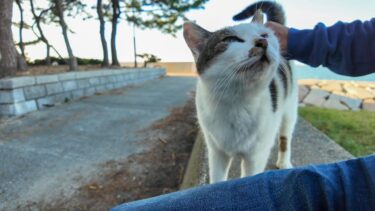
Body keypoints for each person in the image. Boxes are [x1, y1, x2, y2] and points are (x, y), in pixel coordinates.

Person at [111, 19, 375, 211]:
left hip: (271, 113)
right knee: (217, 149)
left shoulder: (277, 68)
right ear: (199, 51)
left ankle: (285, 154)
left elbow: (253, 184)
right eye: (235, 40)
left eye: (263, 36)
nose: (261, 42)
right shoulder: (206, 97)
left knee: (284, 129)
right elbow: (216, 154)